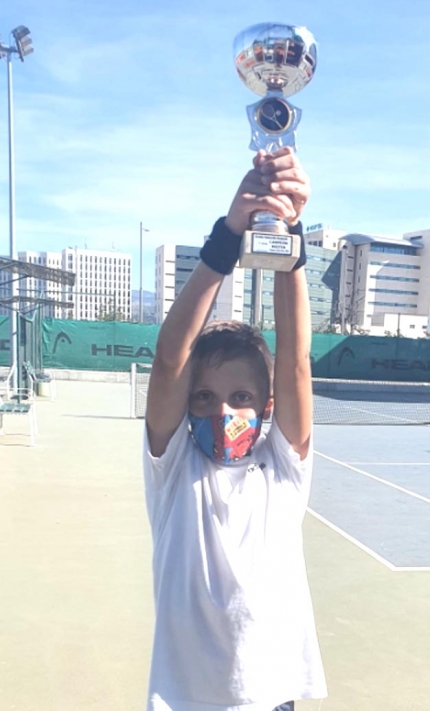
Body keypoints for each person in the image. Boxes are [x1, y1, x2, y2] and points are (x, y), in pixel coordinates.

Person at [144, 146, 327, 711]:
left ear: (267, 404)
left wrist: (288, 243)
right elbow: (171, 359)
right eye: (206, 397)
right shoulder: (175, 469)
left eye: (241, 397)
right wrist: (228, 238)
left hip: (274, 700)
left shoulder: (282, 469)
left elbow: (296, 361)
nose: (224, 412)